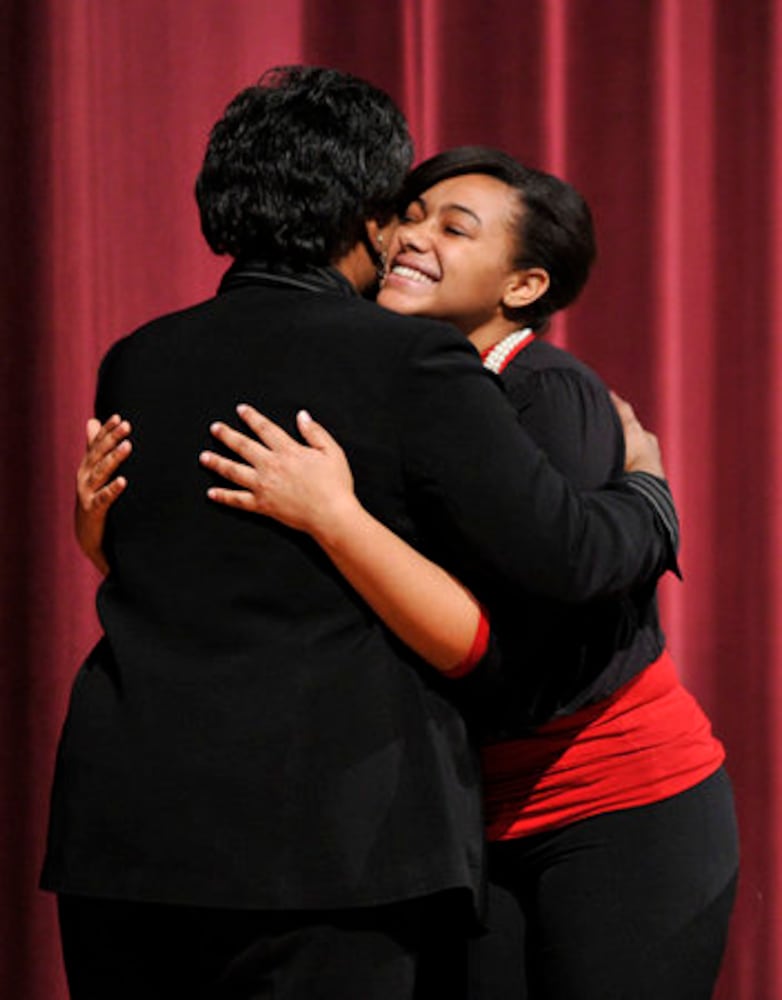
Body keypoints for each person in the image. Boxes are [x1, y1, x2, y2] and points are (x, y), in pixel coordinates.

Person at [50, 66, 679, 1000]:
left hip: (124, 828)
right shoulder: (409, 359)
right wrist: (649, 489)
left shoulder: (136, 358)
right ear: (370, 216)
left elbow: (173, 563)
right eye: (405, 211)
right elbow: (570, 557)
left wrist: (93, 539)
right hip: (328, 838)